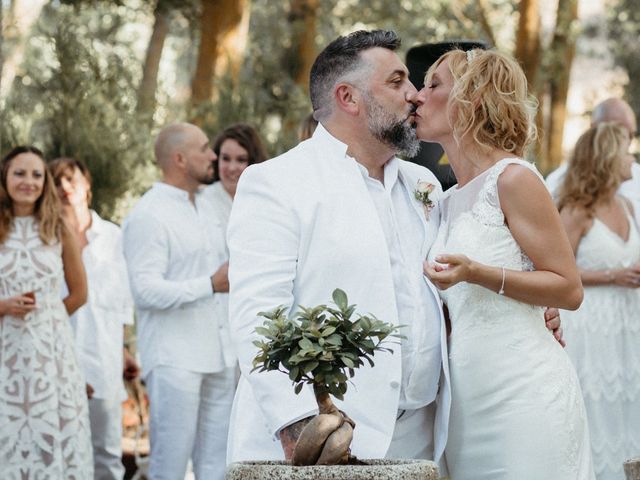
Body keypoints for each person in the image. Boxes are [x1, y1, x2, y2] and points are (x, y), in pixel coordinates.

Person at [226, 29, 451, 467]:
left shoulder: (423, 184)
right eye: (397, 81)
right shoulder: (276, 182)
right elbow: (257, 315)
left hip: (421, 439)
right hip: (326, 437)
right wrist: (299, 425)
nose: (415, 95)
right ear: (348, 97)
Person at [413, 48, 594, 479]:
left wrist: (477, 273)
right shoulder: (446, 199)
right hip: (465, 404)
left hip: (524, 395)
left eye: (434, 85)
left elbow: (568, 289)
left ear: (472, 98)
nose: (418, 97)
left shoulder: (514, 179)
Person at [122, 123, 236, 480]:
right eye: (205, 148)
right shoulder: (149, 214)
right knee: (170, 463)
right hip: (175, 359)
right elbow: (145, 290)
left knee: (217, 462)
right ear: (180, 159)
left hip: (220, 354)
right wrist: (209, 285)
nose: (213, 156)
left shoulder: (208, 205)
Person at [0, 146, 93, 477]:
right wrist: (3, 307)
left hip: (50, 355)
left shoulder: (57, 228)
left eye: (37, 174)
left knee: (50, 433)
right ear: (5, 178)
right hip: (4, 355)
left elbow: (80, 293)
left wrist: (47, 317)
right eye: (19, 173)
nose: (28, 181)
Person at [557, 123, 640, 480]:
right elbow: (557, 271)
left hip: (627, 323)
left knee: (626, 399)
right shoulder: (577, 211)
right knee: (595, 403)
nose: (631, 157)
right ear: (606, 157)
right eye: (625, 150)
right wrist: (612, 276)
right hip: (589, 326)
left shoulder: (628, 205)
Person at [49, 156, 140, 479]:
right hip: (56, 358)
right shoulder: (45, 239)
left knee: (106, 455)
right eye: (56, 181)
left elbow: (120, 300)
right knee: (57, 451)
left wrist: (123, 349)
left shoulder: (113, 237)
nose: (63, 187)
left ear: (86, 184)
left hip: (102, 358)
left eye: (70, 179)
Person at [546, 98, 640, 225]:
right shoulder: (558, 182)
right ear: (594, 130)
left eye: (631, 135)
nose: (627, 142)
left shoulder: (636, 174)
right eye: (617, 133)